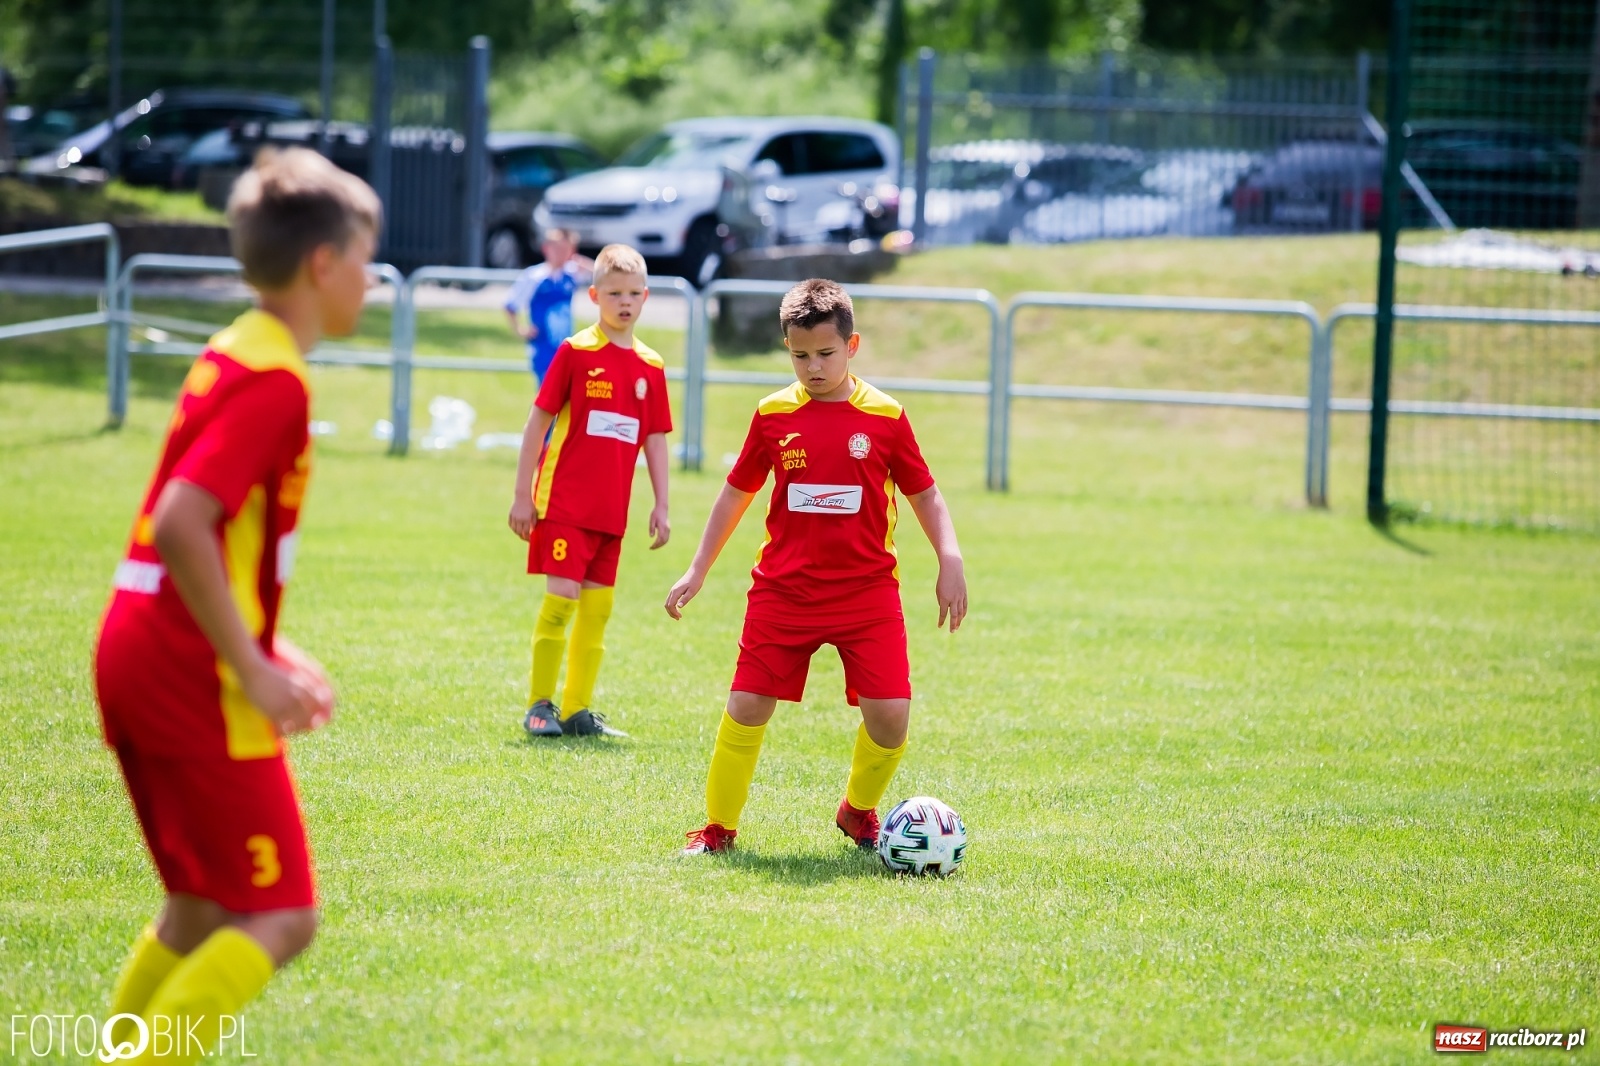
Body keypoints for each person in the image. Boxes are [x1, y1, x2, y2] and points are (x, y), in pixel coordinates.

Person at [92, 147, 378, 1065]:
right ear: (323, 265)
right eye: (365, 261)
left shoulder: (234, 348)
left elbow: (205, 536)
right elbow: (183, 521)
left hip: (141, 644)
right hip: (186, 670)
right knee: (281, 915)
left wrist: (268, 642)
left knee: (201, 907)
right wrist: (247, 664)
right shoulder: (275, 380)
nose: (370, 284)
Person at [665, 278, 968, 855]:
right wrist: (698, 569)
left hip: (867, 593)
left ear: (853, 347)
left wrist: (948, 558)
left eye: (826, 354)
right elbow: (736, 493)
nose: (813, 366)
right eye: (800, 355)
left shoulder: (885, 416)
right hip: (784, 591)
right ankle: (718, 831)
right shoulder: (773, 414)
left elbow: (925, 494)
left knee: (891, 719)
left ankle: (857, 812)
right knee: (747, 705)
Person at [508, 243, 672, 738]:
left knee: (598, 611)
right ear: (595, 296)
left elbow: (655, 439)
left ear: (645, 298)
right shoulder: (576, 353)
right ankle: (540, 705)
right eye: (614, 293)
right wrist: (522, 494)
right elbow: (538, 422)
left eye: (633, 294)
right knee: (561, 600)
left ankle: (578, 710)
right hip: (563, 505)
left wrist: (662, 503)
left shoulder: (651, 366)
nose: (625, 302)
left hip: (611, 514)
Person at [503, 228, 594, 384]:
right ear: (546, 248)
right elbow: (510, 305)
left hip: (565, 343)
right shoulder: (534, 277)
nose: (561, 253)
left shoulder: (571, 274)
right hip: (543, 344)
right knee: (547, 389)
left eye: (566, 249)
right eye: (557, 248)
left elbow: (602, 274)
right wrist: (519, 328)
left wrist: (582, 262)